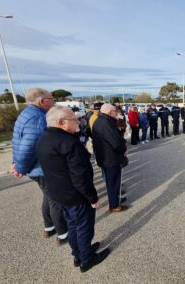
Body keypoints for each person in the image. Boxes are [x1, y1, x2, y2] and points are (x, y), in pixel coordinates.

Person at [35, 106, 110, 273]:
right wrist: (92, 198)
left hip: (58, 193)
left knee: (72, 225)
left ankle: (79, 253)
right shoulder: (69, 143)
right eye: (74, 119)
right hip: (75, 195)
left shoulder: (43, 138)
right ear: (61, 122)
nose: (78, 121)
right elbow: (80, 176)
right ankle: (87, 260)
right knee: (83, 226)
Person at [10, 88, 68, 244]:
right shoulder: (38, 118)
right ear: (42, 101)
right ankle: (63, 233)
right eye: (52, 98)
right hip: (42, 168)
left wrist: (15, 163)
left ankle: (49, 227)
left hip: (36, 167)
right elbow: (28, 146)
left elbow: (17, 141)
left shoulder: (27, 114)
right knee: (56, 199)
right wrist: (19, 168)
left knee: (48, 197)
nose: (54, 101)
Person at [92, 104, 128, 212]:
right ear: (109, 112)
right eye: (114, 111)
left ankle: (116, 200)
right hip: (110, 158)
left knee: (112, 182)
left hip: (106, 157)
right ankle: (114, 205)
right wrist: (123, 148)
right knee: (113, 182)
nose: (116, 113)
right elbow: (116, 143)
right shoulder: (105, 123)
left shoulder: (101, 121)